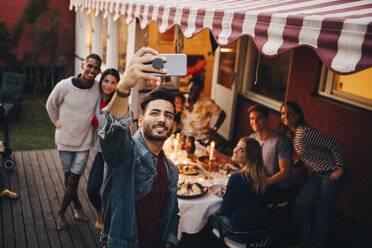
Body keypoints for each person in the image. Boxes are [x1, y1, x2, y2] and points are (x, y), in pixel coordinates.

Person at [99, 47, 179, 248]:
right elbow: (115, 131)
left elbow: (172, 214)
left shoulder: (171, 170)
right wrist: (124, 86)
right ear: (140, 120)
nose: (162, 119)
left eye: (168, 116)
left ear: (174, 126)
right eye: (155, 113)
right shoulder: (127, 155)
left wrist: (169, 242)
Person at [280, 101, 348, 248]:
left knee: (322, 212)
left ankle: (313, 245)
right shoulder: (293, 134)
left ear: (298, 115)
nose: (285, 116)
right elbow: (308, 151)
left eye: (289, 113)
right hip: (317, 173)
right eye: (283, 113)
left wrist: (340, 168)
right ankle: (305, 241)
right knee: (300, 204)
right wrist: (298, 161)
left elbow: (334, 144)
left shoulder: (305, 132)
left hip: (331, 172)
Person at [46, 53, 102, 230]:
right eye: (90, 66)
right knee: (68, 179)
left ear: (99, 70)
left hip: (84, 143)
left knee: (73, 181)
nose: (92, 70)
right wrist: (57, 122)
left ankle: (61, 213)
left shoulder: (98, 87)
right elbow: (50, 105)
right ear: (83, 65)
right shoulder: (64, 86)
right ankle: (77, 205)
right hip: (64, 141)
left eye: (96, 68)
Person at [208, 138, 268, 241]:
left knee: (209, 216)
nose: (235, 150)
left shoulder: (238, 178)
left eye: (241, 150)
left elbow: (225, 210)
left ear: (249, 157)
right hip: (259, 232)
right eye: (237, 146)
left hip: (239, 233)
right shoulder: (261, 176)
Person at [87, 68, 119, 231]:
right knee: (92, 189)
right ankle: (100, 213)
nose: (108, 85)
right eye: (106, 81)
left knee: (112, 193)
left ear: (116, 85)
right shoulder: (96, 98)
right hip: (100, 153)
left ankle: (110, 226)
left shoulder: (118, 103)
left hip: (115, 156)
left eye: (112, 82)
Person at [247, 104, 293, 204]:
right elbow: (243, 160)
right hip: (261, 181)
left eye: (259, 118)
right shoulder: (252, 138)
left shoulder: (280, 141)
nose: (254, 122)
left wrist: (264, 183)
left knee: (246, 196)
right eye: (252, 119)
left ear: (267, 119)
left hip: (278, 187)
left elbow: (286, 172)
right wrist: (219, 155)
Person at [181, 76, 226, 144]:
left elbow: (222, 114)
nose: (193, 93)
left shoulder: (207, 103)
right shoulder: (182, 101)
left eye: (196, 91)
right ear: (188, 88)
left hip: (200, 140)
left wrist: (214, 129)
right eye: (191, 89)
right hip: (184, 138)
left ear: (200, 92)